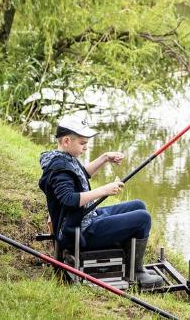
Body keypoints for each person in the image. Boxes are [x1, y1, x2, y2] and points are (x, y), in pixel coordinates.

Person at [38, 116, 164, 288]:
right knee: (143, 218)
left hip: (85, 217)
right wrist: (104, 190)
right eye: (83, 143)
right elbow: (69, 200)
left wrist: (105, 158)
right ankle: (135, 273)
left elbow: (82, 174)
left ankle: (133, 264)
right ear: (67, 140)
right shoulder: (59, 169)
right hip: (78, 231)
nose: (86, 147)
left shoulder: (63, 158)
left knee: (138, 205)